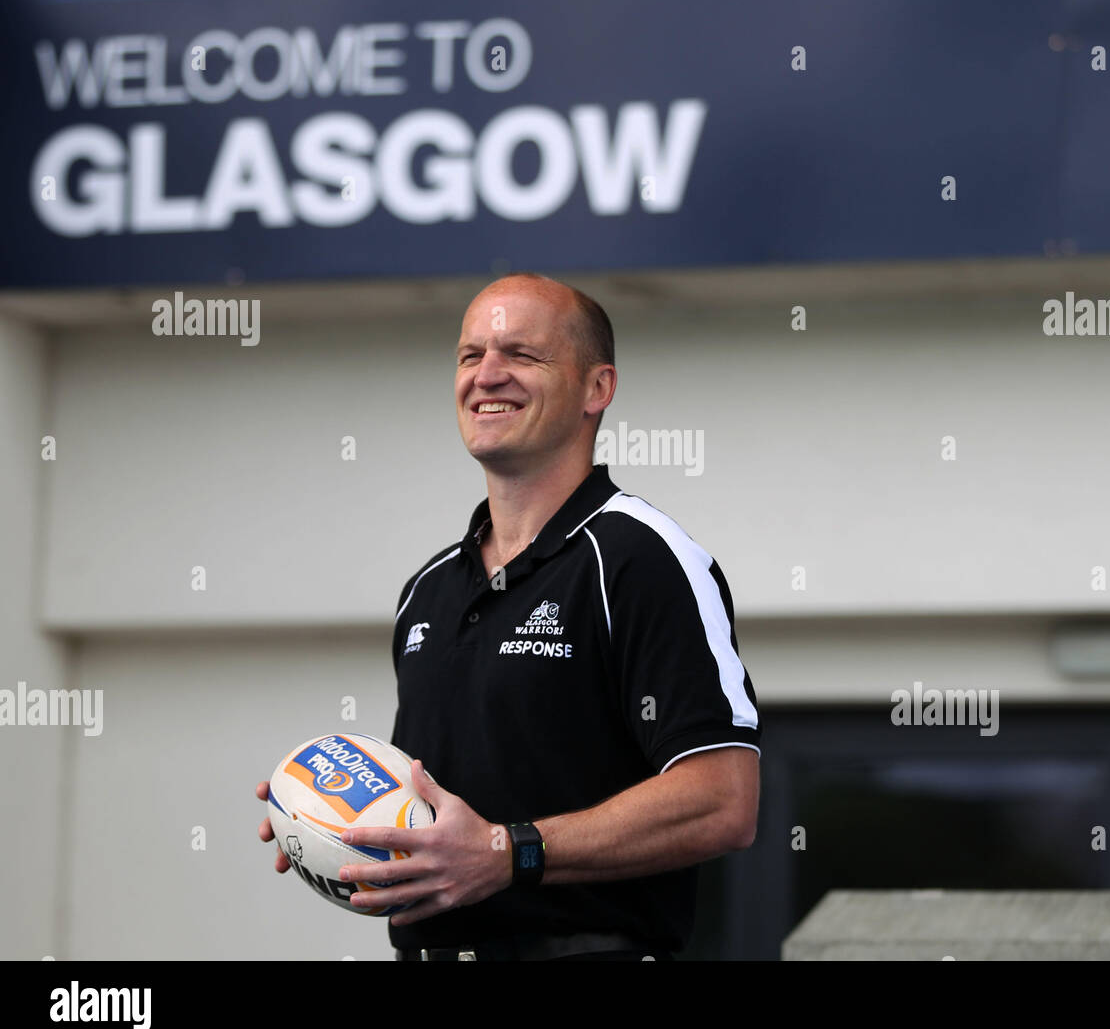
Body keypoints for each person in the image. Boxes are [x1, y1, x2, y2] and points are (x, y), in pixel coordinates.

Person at [257, 272, 761, 960]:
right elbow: (451, 824)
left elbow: (723, 801)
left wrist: (509, 852)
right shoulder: (427, 590)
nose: (487, 375)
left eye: (520, 354)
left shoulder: (640, 559)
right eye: (471, 356)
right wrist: (341, 827)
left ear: (597, 389)